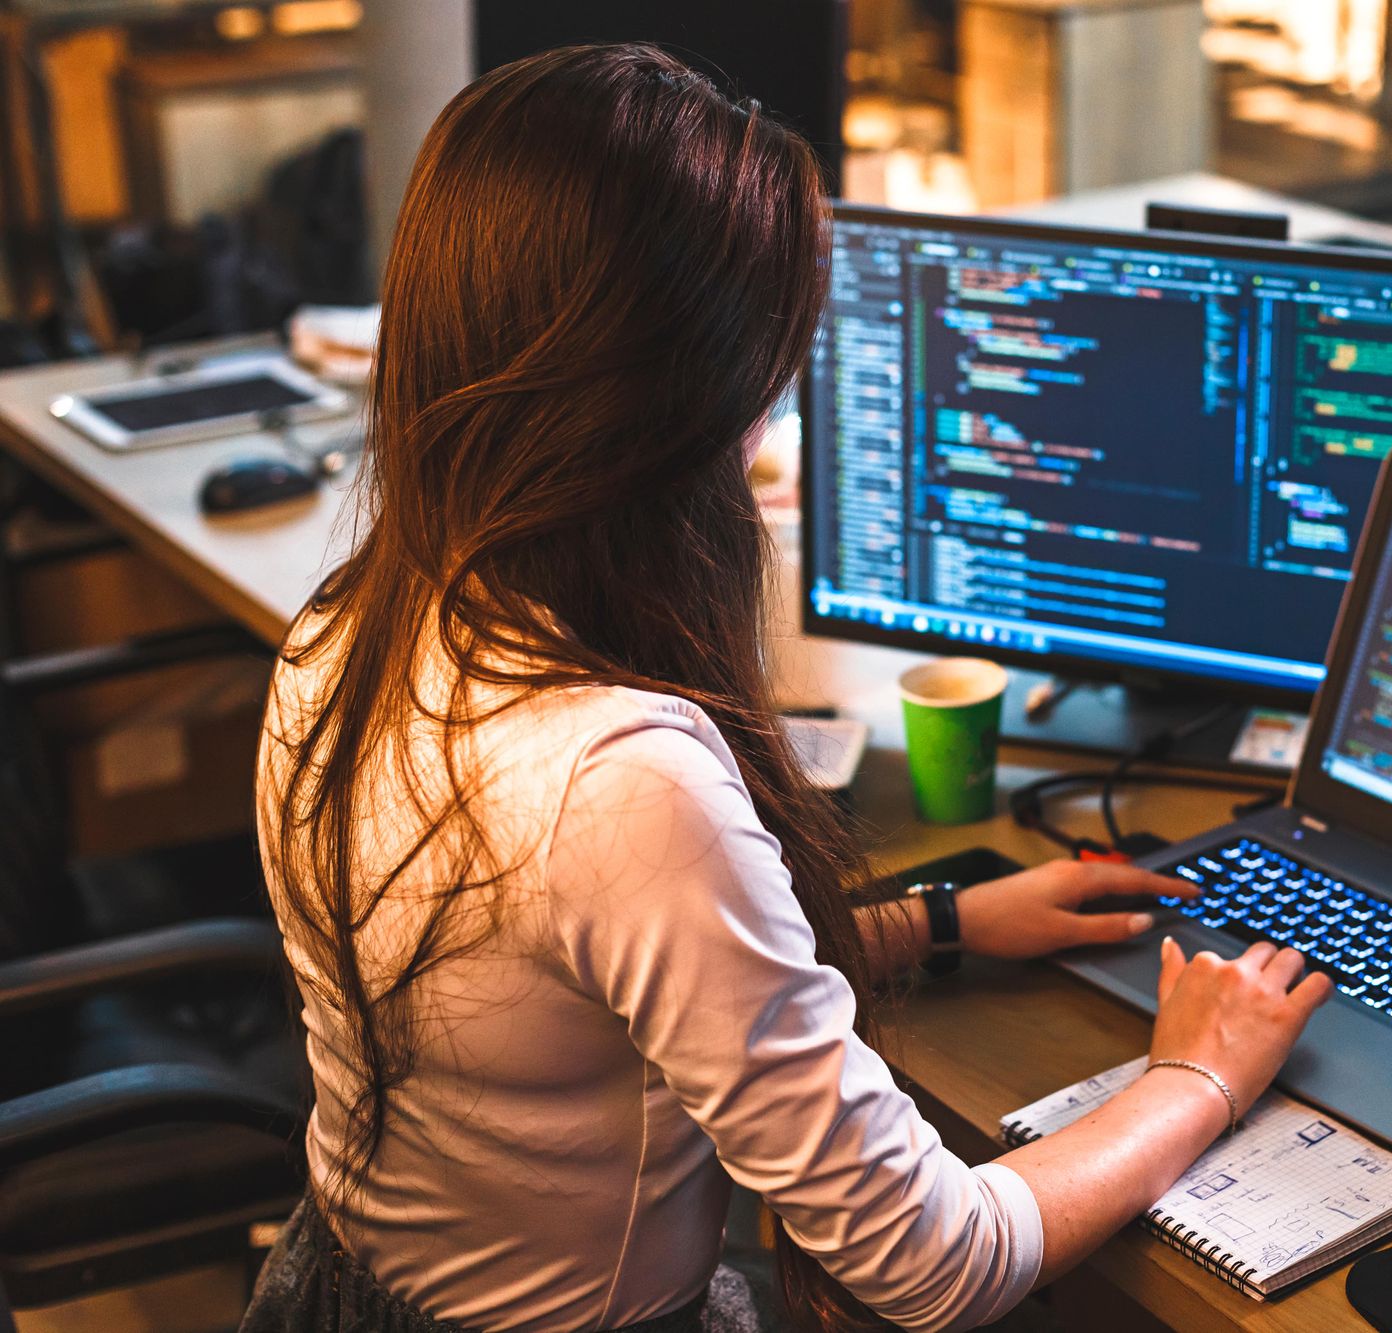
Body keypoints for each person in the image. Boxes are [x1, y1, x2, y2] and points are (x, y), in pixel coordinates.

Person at [244, 43, 1331, 1333]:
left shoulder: (352, 626)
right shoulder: (621, 779)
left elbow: (570, 992)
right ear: (676, 409)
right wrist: (1197, 1076)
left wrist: (938, 924)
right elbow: (939, 1264)